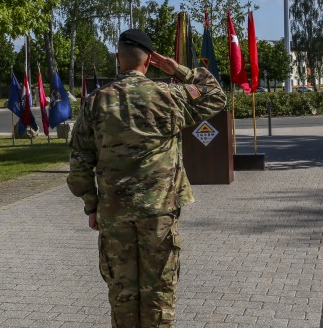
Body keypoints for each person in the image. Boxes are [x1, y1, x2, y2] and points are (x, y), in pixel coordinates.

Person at [68, 29, 226, 328]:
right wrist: (176, 68)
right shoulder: (169, 96)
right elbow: (216, 94)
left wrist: (92, 207)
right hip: (159, 212)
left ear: (118, 59)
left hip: (114, 213)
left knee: (122, 292)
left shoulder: (94, 103)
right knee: (159, 292)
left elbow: (79, 164)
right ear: (150, 61)